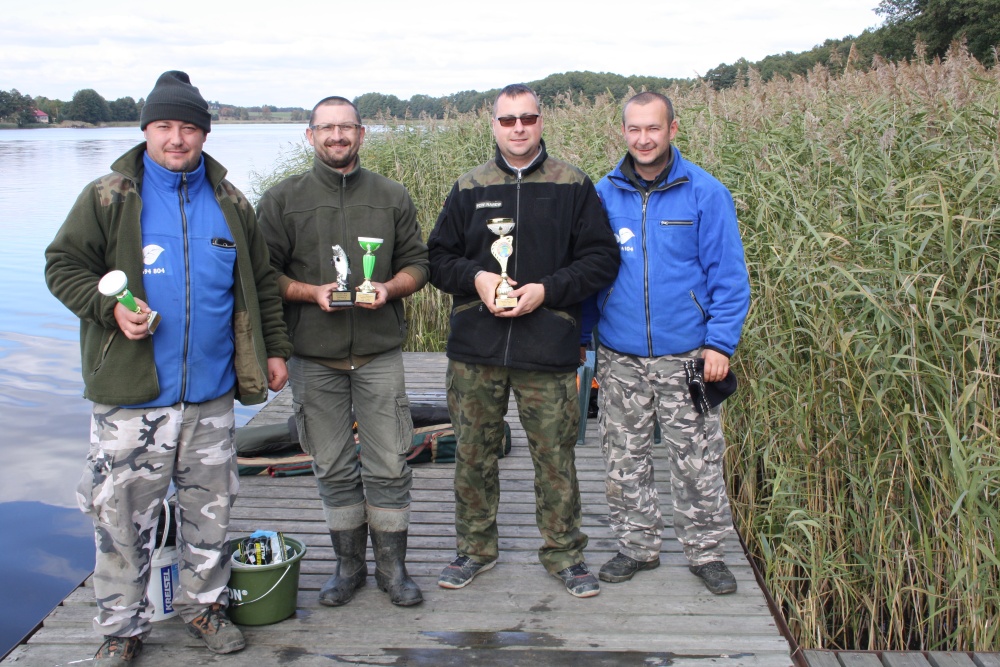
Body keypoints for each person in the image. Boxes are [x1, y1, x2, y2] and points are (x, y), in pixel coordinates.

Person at [44, 70, 292, 666]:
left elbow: (260, 284)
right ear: (146, 130)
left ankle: (203, 606)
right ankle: (122, 628)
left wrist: (274, 350)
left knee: (211, 512)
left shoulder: (231, 202)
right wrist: (108, 309)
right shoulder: (109, 197)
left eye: (188, 127)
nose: (176, 138)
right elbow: (62, 265)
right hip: (131, 398)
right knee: (120, 518)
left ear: (204, 133)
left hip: (211, 395)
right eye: (163, 126)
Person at [427, 84, 620, 598]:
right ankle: (474, 550)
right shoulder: (469, 187)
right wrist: (478, 279)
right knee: (472, 455)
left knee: (555, 458)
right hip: (476, 350)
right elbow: (437, 259)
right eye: (508, 119)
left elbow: (602, 259)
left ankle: (564, 553)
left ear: (541, 122)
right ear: (493, 125)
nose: (518, 128)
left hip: (547, 348)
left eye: (527, 118)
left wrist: (546, 291)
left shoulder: (572, 184)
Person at [256, 96, 429, 608]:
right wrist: (309, 293)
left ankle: (392, 570)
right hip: (313, 357)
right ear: (310, 135)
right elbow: (264, 275)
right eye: (327, 128)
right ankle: (348, 566)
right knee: (331, 465)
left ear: (361, 133)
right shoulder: (282, 199)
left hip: (378, 353)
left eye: (346, 127)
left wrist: (390, 289)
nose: (337, 136)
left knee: (390, 464)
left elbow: (419, 263)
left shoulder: (391, 194)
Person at [592, 92, 751, 595]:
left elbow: (729, 277)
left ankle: (706, 552)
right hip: (619, 357)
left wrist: (719, 344)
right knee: (624, 458)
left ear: (672, 129)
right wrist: (580, 339)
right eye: (634, 129)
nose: (644, 139)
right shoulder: (602, 194)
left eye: (653, 128)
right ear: (623, 132)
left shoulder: (705, 192)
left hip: (688, 356)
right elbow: (590, 274)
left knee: (697, 459)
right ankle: (636, 546)